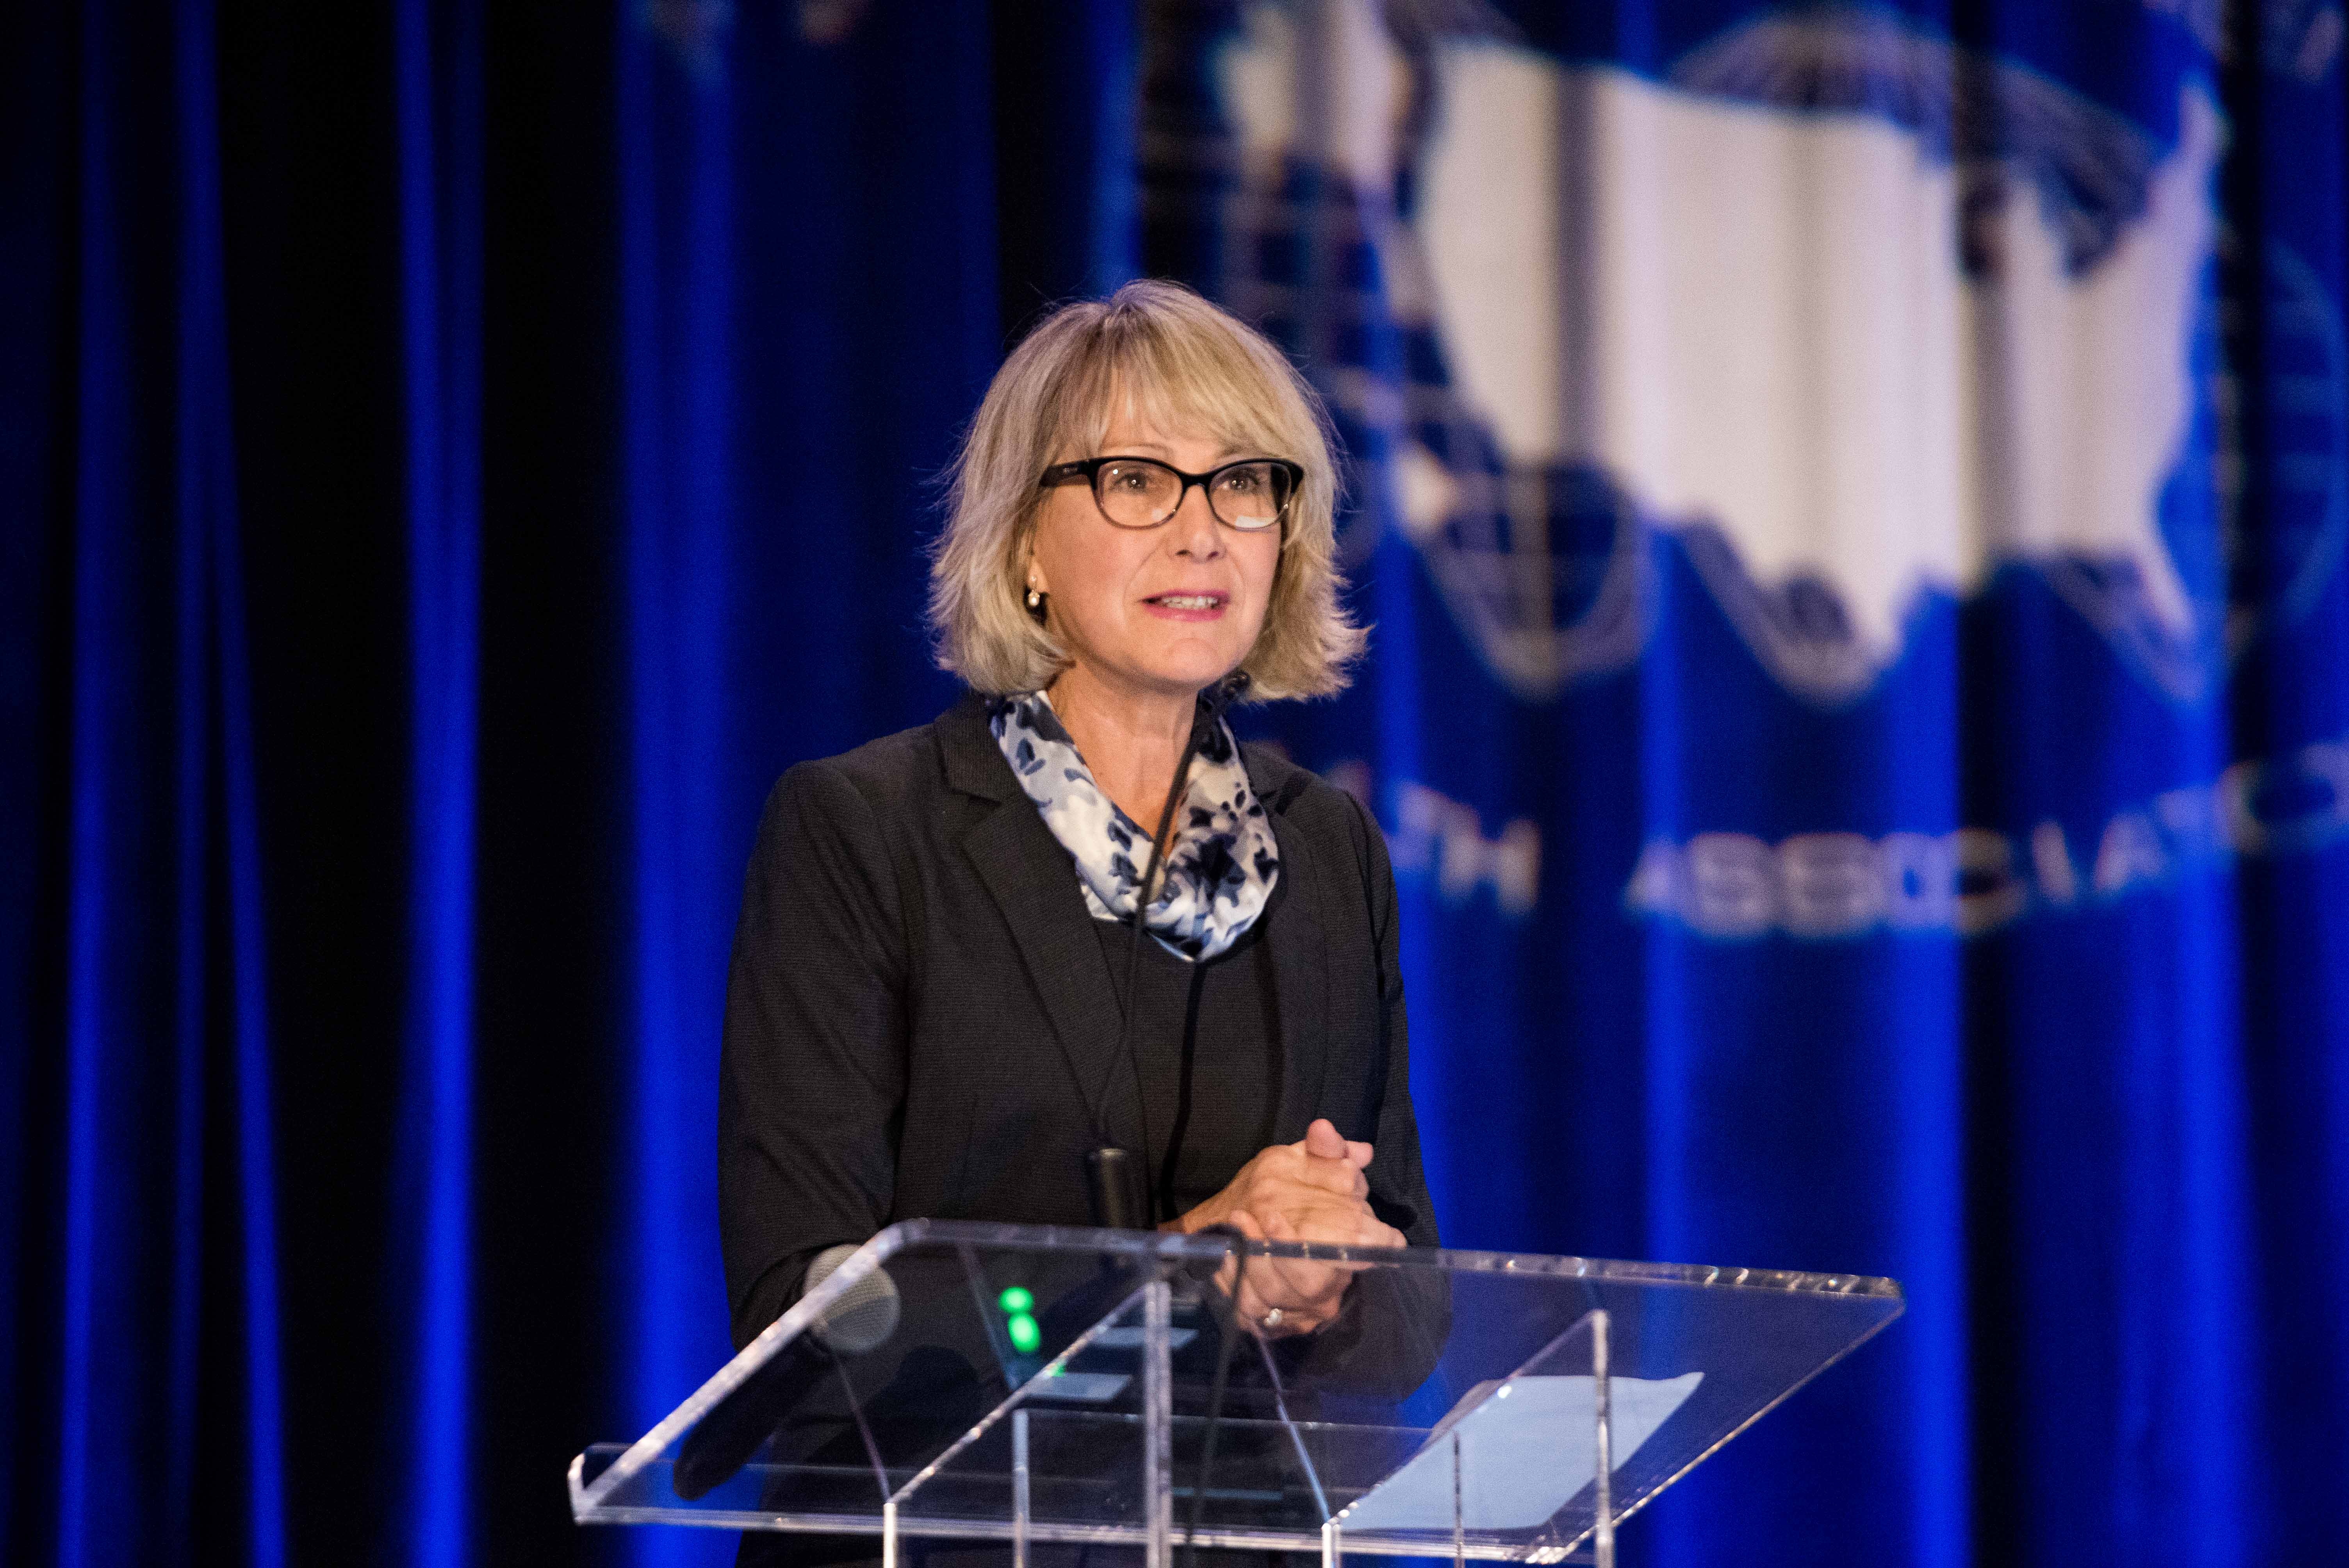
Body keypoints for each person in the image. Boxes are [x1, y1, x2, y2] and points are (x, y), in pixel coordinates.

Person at [717, 278, 1438, 1436]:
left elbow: (1416, 1312)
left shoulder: (1322, 847)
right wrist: (1186, 1268)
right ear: (1024, 545)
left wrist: (1322, 1280)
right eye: (1138, 482)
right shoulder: (868, 830)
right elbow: (807, 1312)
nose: (1202, 530)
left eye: (1244, 484)